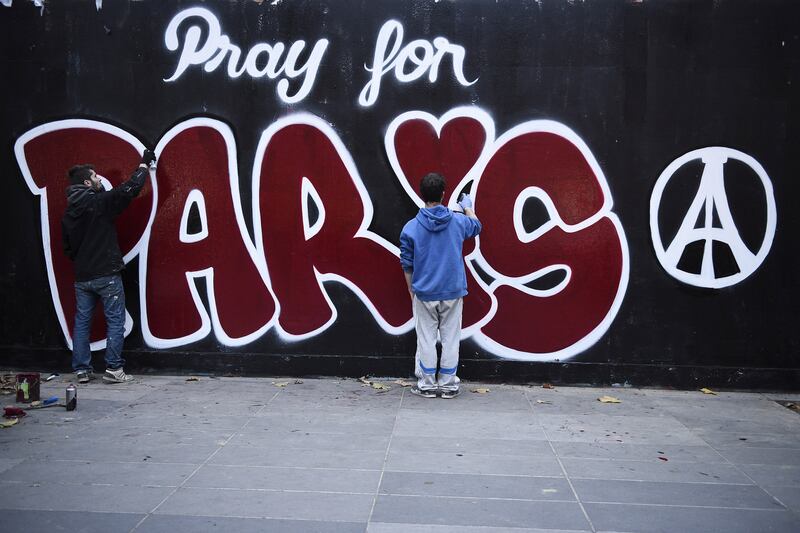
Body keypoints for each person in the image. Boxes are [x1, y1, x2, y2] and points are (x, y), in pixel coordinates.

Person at [62, 149, 156, 384]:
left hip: (83, 277)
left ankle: (82, 370)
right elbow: (129, 189)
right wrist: (143, 165)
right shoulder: (99, 203)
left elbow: (68, 249)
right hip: (106, 274)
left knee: (82, 322)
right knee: (115, 321)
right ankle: (114, 369)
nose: (98, 179)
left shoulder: (69, 214)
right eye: (95, 177)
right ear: (87, 182)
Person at [399, 172, 481, 398]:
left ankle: (426, 385)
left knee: (426, 339)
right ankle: (447, 386)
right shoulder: (458, 222)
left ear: (421, 194)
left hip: (424, 292)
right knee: (450, 339)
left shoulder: (410, 228)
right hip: (453, 290)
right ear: (444, 194)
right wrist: (467, 207)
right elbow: (476, 226)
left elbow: (407, 264)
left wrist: (411, 290)